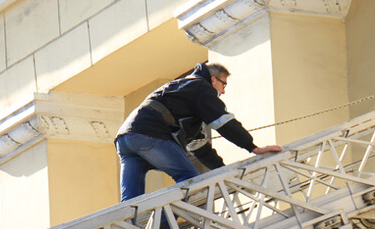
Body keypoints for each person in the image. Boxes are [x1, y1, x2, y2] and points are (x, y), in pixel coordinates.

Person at [114, 62, 281, 203]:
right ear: (213, 79)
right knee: (189, 180)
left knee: (130, 202)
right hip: (149, 134)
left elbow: (200, 147)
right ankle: (164, 226)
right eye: (223, 85)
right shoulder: (200, 86)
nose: (223, 92)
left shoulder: (185, 92)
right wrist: (252, 147)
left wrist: (223, 171)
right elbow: (223, 122)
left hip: (125, 138)